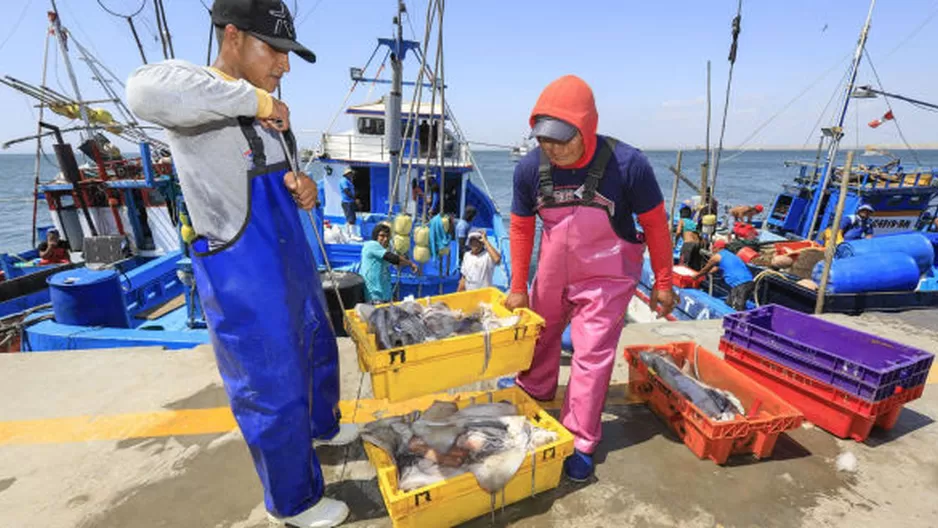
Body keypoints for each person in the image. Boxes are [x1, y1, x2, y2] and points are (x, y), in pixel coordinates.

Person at [126, 2, 355, 526]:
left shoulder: (273, 110)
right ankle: (294, 501)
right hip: (242, 273)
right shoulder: (197, 94)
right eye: (273, 50)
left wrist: (305, 189)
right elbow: (141, 90)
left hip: (290, 263)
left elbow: (286, 178)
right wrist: (252, 98)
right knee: (269, 381)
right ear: (232, 36)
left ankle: (323, 426)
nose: (284, 66)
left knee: (317, 350)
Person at [503, 75, 675, 481]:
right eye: (544, 140)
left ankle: (580, 438)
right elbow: (521, 227)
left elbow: (655, 225)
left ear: (588, 127)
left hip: (607, 277)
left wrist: (664, 283)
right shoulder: (530, 169)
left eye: (563, 139)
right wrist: (516, 288)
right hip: (552, 273)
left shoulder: (630, 165)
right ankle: (536, 391)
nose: (553, 149)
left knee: (591, 356)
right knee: (539, 337)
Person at [360, 223, 419, 303]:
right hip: (374, 295)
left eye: (387, 236)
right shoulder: (372, 245)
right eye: (382, 236)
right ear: (375, 235)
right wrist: (410, 264)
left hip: (384, 294)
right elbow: (393, 258)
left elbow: (396, 261)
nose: (385, 239)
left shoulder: (381, 250)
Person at [694, 240, 755, 311]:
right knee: (728, 304)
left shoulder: (717, 256)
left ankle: (739, 321)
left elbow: (705, 270)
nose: (712, 250)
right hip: (746, 283)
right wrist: (708, 273)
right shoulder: (729, 255)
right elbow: (715, 269)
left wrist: (695, 276)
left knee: (737, 309)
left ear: (717, 248)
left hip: (742, 284)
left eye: (713, 248)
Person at [339, 167, 361, 240]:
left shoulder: (349, 181)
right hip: (347, 202)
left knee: (351, 218)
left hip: (350, 202)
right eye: (351, 174)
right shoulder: (344, 181)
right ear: (347, 174)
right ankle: (353, 235)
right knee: (351, 219)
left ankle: (348, 233)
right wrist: (355, 199)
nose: (352, 175)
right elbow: (347, 191)